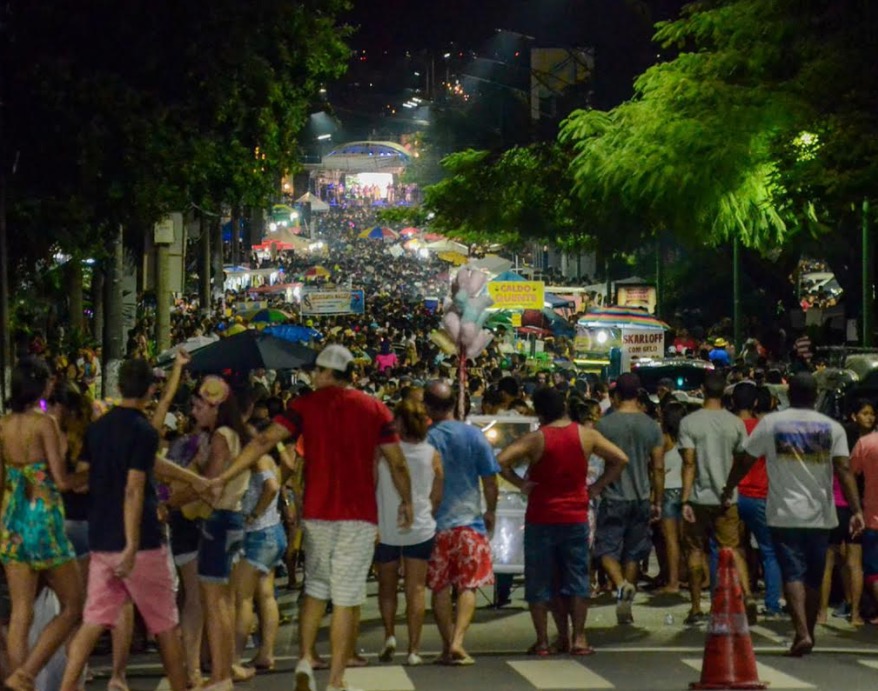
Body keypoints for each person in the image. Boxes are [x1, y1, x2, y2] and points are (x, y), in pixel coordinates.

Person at [210, 345, 413, 691]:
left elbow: (263, 442)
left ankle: (305, 658)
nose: (314, 377)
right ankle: (335, 679)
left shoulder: (303, 407)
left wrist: (225, 475)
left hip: (318, 513)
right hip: (359, 516)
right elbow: (396, 461)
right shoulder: (375, 409)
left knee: (316, 589)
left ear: (327, 373)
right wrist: (407, 500)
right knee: (347, 599)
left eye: (318, 371)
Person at [60, 358, 207, 691]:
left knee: (93, 619)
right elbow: (135, 487)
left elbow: (81, 480)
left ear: (119, 387)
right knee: (164, 622)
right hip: (138, 543)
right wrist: (131, 542)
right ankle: (180, 685)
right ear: (149, 389)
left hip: (101, 538)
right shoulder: (141, 431)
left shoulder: (97, 429)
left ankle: (67, 686)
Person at [722, 373, 865, 657]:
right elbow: (844, 469)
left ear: (789, 395)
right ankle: (808, 632)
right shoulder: (831, 427)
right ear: (815, 397)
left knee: (793, 572)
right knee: (813, 576)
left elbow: (745, 460)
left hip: (784, 513)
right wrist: (856, 509)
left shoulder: (771, 424)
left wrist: (729, 487)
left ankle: (801, 632)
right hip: (820, 514)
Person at [497, 387, 628, 656]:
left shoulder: (537, 438)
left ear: (541, 411)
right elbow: (620, 459)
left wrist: (522, 484)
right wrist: (597, 487)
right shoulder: (586, 435)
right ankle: (578, 638)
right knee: (577, 578)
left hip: (541, 516)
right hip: (575, 515)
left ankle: (544, 640)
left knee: (541, 580)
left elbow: (501, 460)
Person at [0, 358, 85, 691]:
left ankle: (21, 678)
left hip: (12, 519)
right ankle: (27, 673)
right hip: (43, 517)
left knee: (21, 611)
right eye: (49, 380)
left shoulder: (3, 425)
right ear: (40, 385)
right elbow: (62, 480)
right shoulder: (44, 424)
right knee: (73, 604)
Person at [423, 381, 499, 666]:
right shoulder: (474, 436)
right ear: (455, 403)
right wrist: (490, 510)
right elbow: (490, 480)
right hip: (470, 523)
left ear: (428, 407)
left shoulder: (426, 439)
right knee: (468, 586)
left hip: (435, 524)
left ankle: (446, 645)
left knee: (440, 587)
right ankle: (458, 642)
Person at [679, 371, 754, 626]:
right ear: (725, 393)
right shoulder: (735, 423)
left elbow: (688, 463)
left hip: (699, 498)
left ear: (702, 389)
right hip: (727, 498)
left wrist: (685, 499)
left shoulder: (690, 423)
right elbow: (743, 458)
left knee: (695, 550)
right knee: (732, 550)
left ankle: (697, 606)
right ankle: (748, 595)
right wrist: (731, 483)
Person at [375, 399, 443, 666]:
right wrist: (427, 513)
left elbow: (372, 483)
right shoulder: (432, 454)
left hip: (386, 526)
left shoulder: (383, 452)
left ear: (399, 422)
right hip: (421, 527)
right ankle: (414, 649)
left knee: (386, 587)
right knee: (415, 590)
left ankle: (389, 635)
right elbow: (437, 495)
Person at [593, 373, 665, 625]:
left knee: (605, 547)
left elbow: (595, 462)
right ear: (639, 394)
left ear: (616, 395)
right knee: (633, 553)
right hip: (642, 496)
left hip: (613, 495)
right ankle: (626, 602)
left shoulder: (604, 425)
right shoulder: (651, 426)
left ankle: (621, 584)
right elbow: (657, 466)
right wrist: (657, 499)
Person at [819, 398, 873, 625]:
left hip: (839, 505)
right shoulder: (864, 444)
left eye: (872, 414)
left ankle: (824, 612)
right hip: (851, 506)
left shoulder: (842, 440)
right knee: (850, 561)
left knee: (835, 560)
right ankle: (854, 614)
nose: (870, 418)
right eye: (865, 413)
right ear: (854, 416)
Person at [734, 384, 784, 619]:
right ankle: (772, 603)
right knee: (769, 551)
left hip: (735, 494)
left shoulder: (733, 427)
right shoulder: (767, 429)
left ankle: (735, 596)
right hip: (761, 495)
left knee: (731, 548)